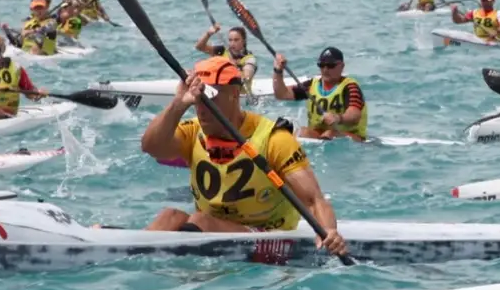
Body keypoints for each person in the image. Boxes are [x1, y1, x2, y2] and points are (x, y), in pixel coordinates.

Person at [140, 56, 346, 254]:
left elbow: (313, 200)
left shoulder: (274, 139)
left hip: (267, 235)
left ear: (234, 94)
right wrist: (179, 103)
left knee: (201, 220)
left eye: (209, 97)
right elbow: (151, 146)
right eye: (197, 99)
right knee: (169, 216)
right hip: (210, 228)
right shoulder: (193, 132)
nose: (201, 109)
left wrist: (328, 231)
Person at [271, 47, 367, 141]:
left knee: (329, 134)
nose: (325, 70)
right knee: (302, 132)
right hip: (319, 134)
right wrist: (278, 71)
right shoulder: (312, 85)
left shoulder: (350, 87)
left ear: (342, 66)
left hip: (350, 136)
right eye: (321, 65)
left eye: (330, 65)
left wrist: (338, 118)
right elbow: (281, 94)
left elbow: (354, 115)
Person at [195, 23, 259, 89]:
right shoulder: (222, 51)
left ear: (244, 41)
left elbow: (247, 78)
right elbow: (199, 47)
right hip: (222, 93)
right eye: (230, 40)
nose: (232, 43)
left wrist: (232, 68)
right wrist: (208, 34)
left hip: (240, 95)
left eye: (236, 40)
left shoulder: (249, 59)